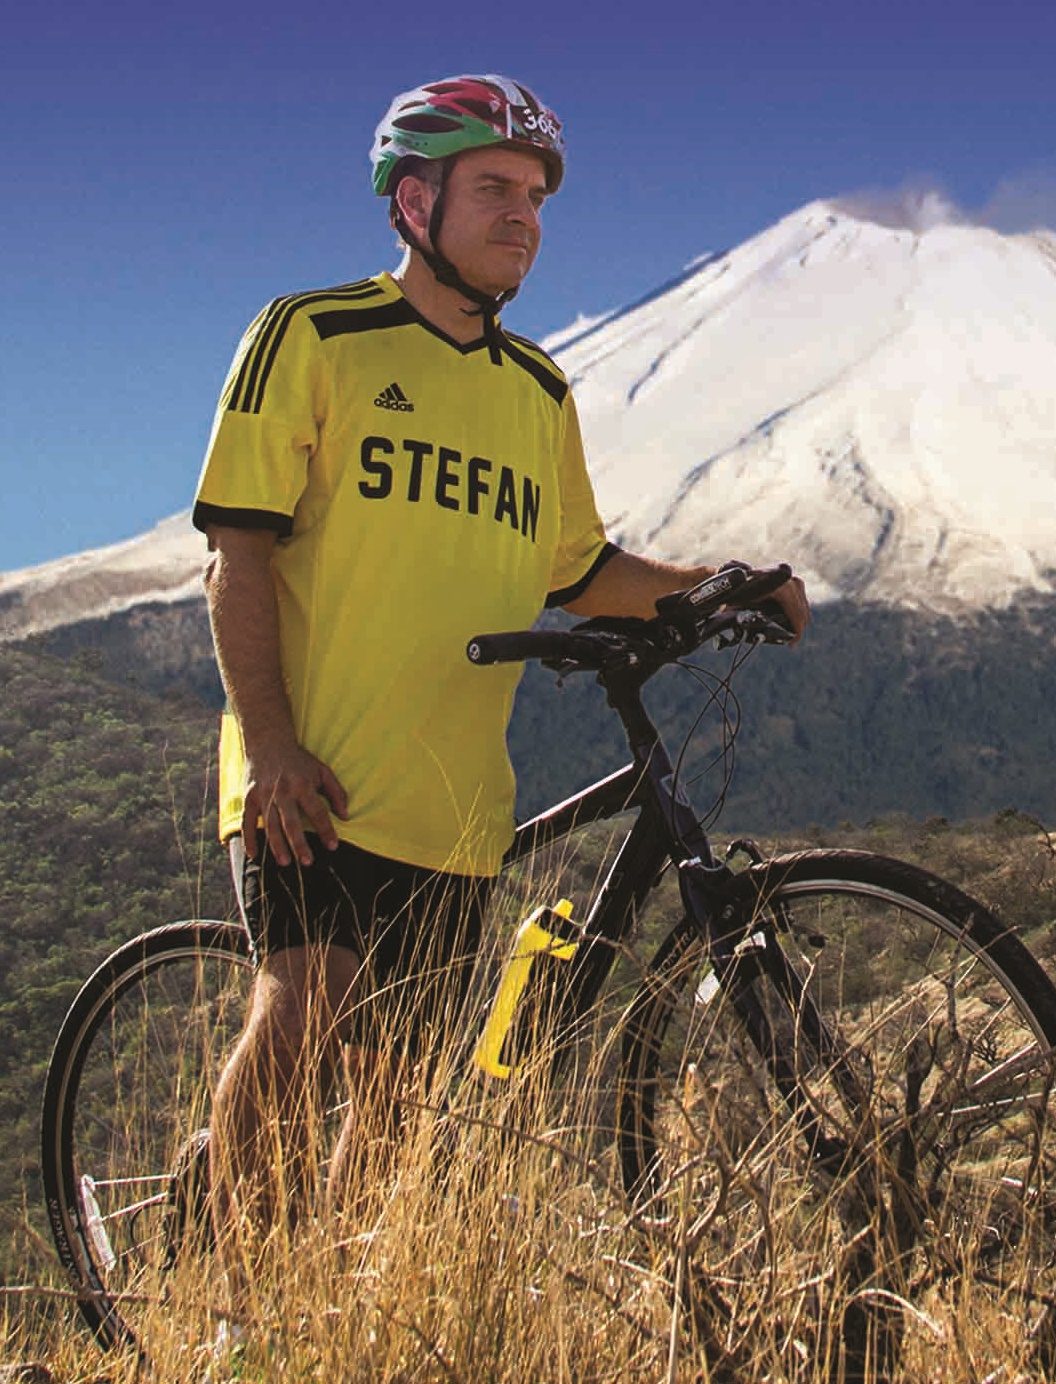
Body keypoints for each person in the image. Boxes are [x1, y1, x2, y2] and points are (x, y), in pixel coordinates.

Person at [192, 73, 809, 1302]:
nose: (522, 215)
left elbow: (581, 571)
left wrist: (720, 582)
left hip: (458, 804)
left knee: (390, 1104)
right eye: (494, 189)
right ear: (412, 203)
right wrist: (268, 746)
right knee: (309, 1006)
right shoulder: (311, 335)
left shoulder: (539, 393)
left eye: (534, 195)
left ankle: (314, 1316)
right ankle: (224, 1315)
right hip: (312, 774)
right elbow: (237, 552)